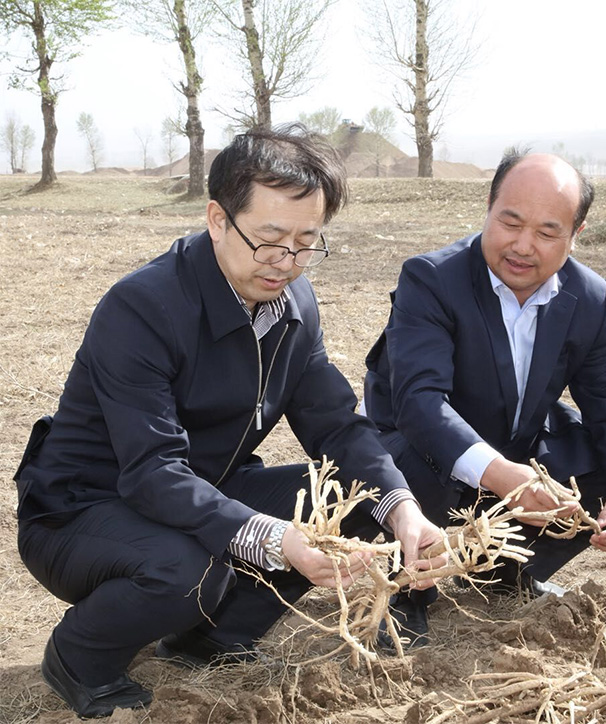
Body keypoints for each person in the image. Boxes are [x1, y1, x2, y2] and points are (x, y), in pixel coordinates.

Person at [14, 126, 443, 718]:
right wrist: (274, 538)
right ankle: (80, 655)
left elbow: (336, 427)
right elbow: (151, 472)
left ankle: (211, 636)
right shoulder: (142, 307)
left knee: (348, 498)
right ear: (217, 219)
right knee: (191, 571)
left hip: (201, 486)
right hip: (84, 510)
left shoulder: (295, 303)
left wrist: (402, 509)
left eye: (306, 243)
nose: (287, 263)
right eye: (269, 241)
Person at [363, 149, 606, 646]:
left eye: (547, 232)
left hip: (516, 444)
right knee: (415, 463)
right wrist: (504, 476)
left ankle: (505, 573)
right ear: (488, 208)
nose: (523, 246)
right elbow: (420, 404)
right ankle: (407, 589)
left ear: (576, 233)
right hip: (418, 446)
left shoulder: (589, 297)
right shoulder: (431, 279)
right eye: (510, 222)